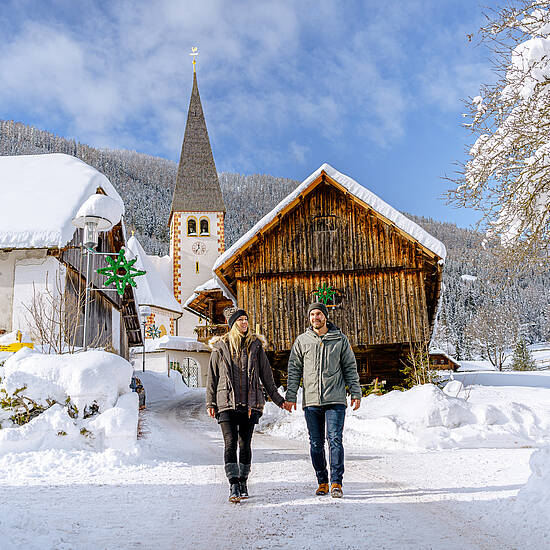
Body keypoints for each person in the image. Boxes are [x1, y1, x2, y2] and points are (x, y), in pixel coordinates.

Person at [206, 309, 286, 503]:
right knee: (230, 442)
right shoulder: (220, 347)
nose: (244, 323)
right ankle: (233, 483)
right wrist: (210, 401)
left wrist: (279, 400)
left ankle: (243, 481)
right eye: (240, 320)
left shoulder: (255, 346)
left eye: (246, 320)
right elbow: (212, 376)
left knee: (245, 443)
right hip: (226, 403)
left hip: (250, 403)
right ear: (233, 324)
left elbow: (266, 377)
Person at [284, 302, 361, 498]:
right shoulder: (302, 341)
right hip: (311, 401)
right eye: (312, 314)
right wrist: (291, 396)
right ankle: (322, 481)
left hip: (335, 398)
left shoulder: (339, 340)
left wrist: (356, 392)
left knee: (335, 440)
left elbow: (350, 368)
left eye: (318, 314)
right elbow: (294, 370)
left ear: (325, 316)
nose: (315, 317)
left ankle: (336, 482)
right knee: (316, 444)